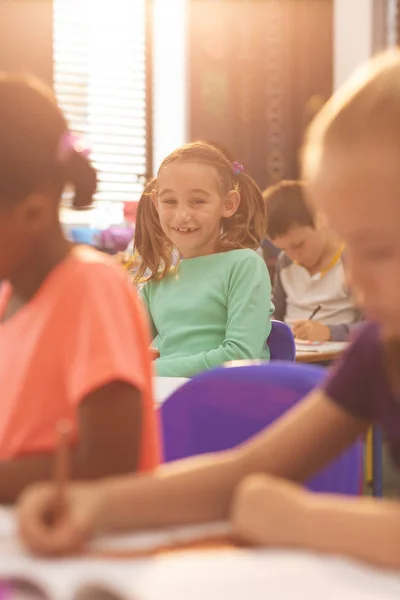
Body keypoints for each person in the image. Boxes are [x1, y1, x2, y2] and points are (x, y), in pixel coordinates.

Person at [17, 50, 400, 570]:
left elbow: (270, 495)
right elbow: (248, 469)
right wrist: (96, 504)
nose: (352, 277)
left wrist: (302, 519)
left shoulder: (240, 266)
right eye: (348, 248)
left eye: (377, 251)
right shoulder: (378, 352)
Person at [0, 74, 160, 503]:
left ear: (34, 211)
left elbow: (106, 464)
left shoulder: (91, 287)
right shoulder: (7, 299)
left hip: (85, 554)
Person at [133, 141, 274, 377]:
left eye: (197, 201)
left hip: (228, 399)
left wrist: (152, 370)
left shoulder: (244, 265)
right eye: (169, 201)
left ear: (228, 204)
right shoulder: (158, 277)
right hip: (168, 398)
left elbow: (240, 356)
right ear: (156, 202)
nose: (182, 215)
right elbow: (124, 347)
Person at [264, 180, 361, 342]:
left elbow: (375, 327)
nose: (293, 256)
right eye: (283, 248)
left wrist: (329, 332)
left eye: (298, 245)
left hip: (333, 356)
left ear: (321, 220)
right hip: (292, 354)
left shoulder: (350, 260)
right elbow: (276, 312)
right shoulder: (285, 261)